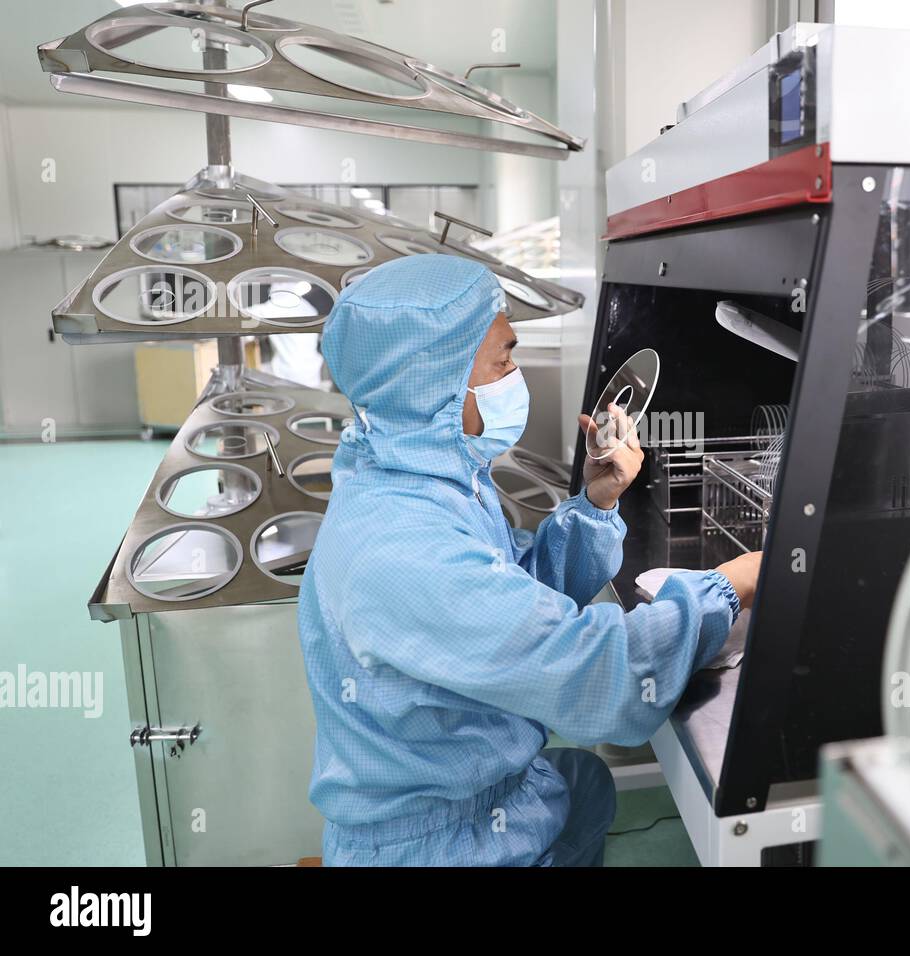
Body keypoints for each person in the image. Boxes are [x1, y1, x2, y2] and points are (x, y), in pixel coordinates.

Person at [298, 254, 763, 866]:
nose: (514, 375)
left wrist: (596, 503)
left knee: (586, 786)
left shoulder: (411, 472)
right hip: (443, 846)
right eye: (504, 359)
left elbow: (509, 599)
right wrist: (735, 582)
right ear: (435, 381)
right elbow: (607, 679)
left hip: (468, 795)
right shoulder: (403, 550)